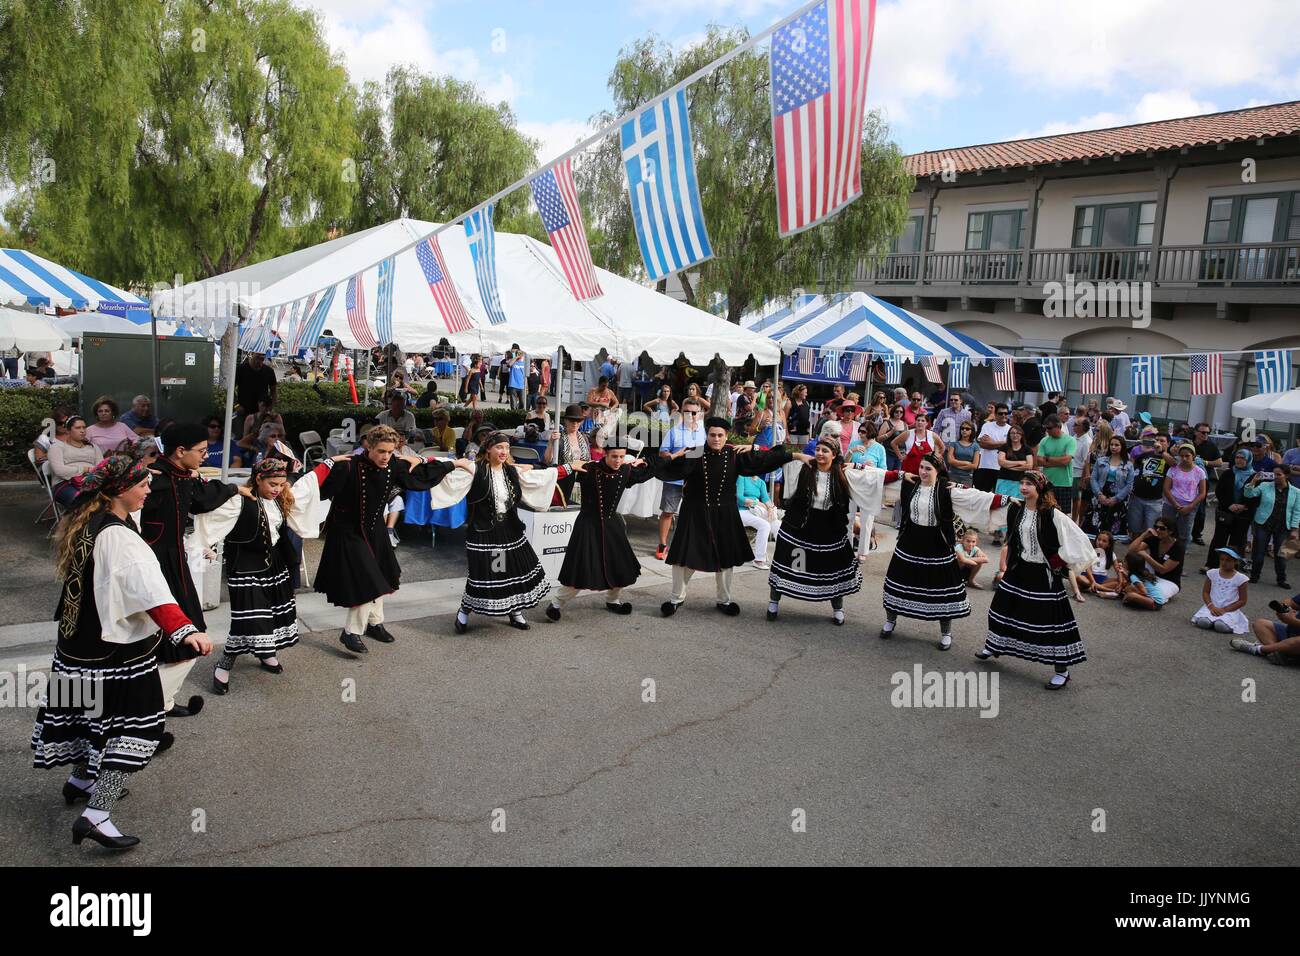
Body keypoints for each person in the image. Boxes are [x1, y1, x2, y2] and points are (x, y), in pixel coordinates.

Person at [32, 455, 212, 851]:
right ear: (117, 490)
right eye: (142, 484)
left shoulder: (86, 522)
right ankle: (96, 816)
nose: (149, 489)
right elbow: (149, 592)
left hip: (76, 649)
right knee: (137, 729)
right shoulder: (119, 537)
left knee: (87, 718)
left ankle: (80, 781)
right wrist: (186, 632)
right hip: (113, 656)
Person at [314, 426, 467, 654]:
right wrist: (328, 463)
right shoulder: (347, 466)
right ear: (369, 447)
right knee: (368, 581)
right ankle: (351, 632)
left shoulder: (393, 465)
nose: (386, 456)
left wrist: (453, 463)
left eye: (390, 451)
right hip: (348, 532)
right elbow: (318, 490)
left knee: (383, 575)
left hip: (375, 529)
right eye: (381, 451)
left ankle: (374, 623)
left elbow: (420, 477)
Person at [137, 423, 247, 721]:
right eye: (201, 451)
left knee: (179, 635)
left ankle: (163, 703)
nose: (206, 456)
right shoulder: (152, 479)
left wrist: (235, 488)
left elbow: (201, 500)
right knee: (187, 635)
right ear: (180, 451)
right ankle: (149, 710)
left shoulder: (180, 475)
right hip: (149, 567)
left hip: (174, 563)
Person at [193, 457, 327, 693]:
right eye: (273, 484)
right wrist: (208, 546)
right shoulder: (240, 501)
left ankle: (266, 653)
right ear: (258, 479)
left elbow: (308, 487)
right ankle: (224, 663)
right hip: (245, 566)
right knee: (248, 620)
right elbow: (212, 519)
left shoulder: (280, 500)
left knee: (274, 614)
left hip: (274, 564)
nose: (277, 489)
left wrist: (330, 462)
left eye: (281, 484)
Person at [657, 417, 803, 617]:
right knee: (683, 557)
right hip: (694, 512)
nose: (716, 439)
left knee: (725, 557)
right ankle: (676, 598)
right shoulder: (695, 452)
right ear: (706, 435)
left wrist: (795, 455)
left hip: (725, 513)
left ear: (726, 436)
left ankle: (724, 600)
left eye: (720, 435)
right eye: (712, 435)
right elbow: (669, 467)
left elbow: (765, 460)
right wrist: (660, 459)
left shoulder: (734, 453)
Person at [424, 433, 558, 632]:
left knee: (510, 571)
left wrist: (543, 466)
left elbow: (541, 474)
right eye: (499, 447)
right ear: (488, 449)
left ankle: (514, 612)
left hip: (509, 531)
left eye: (506, 448)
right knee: (484, 575)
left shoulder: (512, 471)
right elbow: (445, 466)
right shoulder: (475, 469)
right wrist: (420, 459)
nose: (504, 451)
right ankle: (463, 612)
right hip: (484, 532)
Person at [975, 471, 1094, 688]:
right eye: (1021, 483)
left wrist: (1057, 562)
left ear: (1039, 488)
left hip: (1043, 573)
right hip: (1019, 567)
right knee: (1002, 607)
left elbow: (1078, 541)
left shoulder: (1052, 514)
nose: (1023, 487)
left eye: (1028, 484)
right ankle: (994, 645)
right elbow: (983, 503)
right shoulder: (1016, 508)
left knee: (1051, 621)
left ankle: (1062, 670)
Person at [880, 455, 1013, 650]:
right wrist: (854, 466)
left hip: (937, 542)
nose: (923, 472)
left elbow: (977, 497)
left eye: (928, 469)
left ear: (938, 471)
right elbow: (879, 478)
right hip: (910, 541)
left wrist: (1005, 500)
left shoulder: (946, 489)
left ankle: (946, 633)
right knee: (899, 580)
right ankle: (891, 621)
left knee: (942, 587)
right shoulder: (910, 483)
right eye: (921, 467)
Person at [766, 438, 884, 624]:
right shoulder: (805, 467)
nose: (820, 453)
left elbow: (878, 476)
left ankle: (838, 609)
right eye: (818, 450)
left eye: (825, 451)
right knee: (789, 563)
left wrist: (902, 475)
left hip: (829, 527)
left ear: (834, 455)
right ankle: (774, 602)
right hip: (800, 525)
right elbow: (775, 455)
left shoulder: (843, 472)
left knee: (833, 567)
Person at [545, 438, 661, 620]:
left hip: (611, 525)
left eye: (621, 457)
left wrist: (650, 460)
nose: (618, 460)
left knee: (620, 566)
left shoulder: (626, 470)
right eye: (614, 456)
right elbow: (561, 476)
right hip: (587, 525)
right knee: (582, 569)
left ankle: (613, 600)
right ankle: (556, 603)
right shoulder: (589, 469)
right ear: (605, 455)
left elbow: (648, 471)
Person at [654, 398, 706, 560]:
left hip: (695, 480)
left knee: (696, 513)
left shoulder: (703, 432)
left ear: (699, 414)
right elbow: (662, 453)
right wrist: (677, 454)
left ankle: (692, 544)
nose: (691, 414)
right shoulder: (674, 431)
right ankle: (662, 544)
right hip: (674, 479)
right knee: (668, 512)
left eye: (694, 412)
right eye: (687, 411)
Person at [1243, 464, 1300, 588]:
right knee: (1258, 552)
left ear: (1287, 475)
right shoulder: (1265, 486)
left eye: (1279, 474)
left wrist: (1294, 529)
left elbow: (1296, 511)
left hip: (1283, 526)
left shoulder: (1296, 492)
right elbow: (1249, 494)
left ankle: (1281, 579)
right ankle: (1254, 575)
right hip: (1263, 523)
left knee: (1281, 555)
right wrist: (1253, 482)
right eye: (1274, 474)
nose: (1276, 477)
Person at [1203, 448, 1257, 570]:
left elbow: (1256, 496)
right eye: (1237, 457)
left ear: (1248, 460)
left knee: (1237, 542)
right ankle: (1212, 564)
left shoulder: (1255, 476)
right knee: (1218, 540)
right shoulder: (1228, 473)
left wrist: (1244, 506)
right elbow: (1219, 491)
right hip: (1225, 512)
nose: (1239, 460)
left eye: (1243, 458)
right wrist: (1229, 505)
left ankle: (1232, 568)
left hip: (1244, 514)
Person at [1191, 548, 1250, 634]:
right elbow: (1205, 592)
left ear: (1236, 562)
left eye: (1228, 560)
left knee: (1220, 626)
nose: (1224, 562)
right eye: (1222, 559)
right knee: (1203, 622)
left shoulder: (1241, 579)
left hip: (1229, 610)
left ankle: (1227, 623)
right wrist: (1211, 606)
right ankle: (1211, 620)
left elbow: (1242, 600)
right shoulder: (1212, 573)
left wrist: (1224, 610)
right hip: (1211, 607)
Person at [48, 416, 103, 507]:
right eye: (78, 428)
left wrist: (90, 472)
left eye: (84, 427)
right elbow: (59, 470)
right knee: (83, 502)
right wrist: (86, 469)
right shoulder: (57, 447)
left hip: (91, 481)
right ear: (68, 431)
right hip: (65, 483)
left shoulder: (93, 447)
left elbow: (100, 467)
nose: (82, 431)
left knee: (109, 499)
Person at [1231, 592, 1300, 665]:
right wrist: (1283, 608)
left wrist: (1293, 621)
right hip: (1290, 633)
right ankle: (1278, 654)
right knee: (1260, 624)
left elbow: (1294, 621)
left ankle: (1258, 649)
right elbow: (1292, 601)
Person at [1127, 519, 1185, 604]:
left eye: (1162, 528)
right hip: (1152, 575)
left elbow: (1163, 570)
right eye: (1156, 527)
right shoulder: (1155, 539)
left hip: (1169, 580)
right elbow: (1131, 550)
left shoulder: (1178, 547)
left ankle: (1138, 595)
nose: (1157, 530)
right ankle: (1137, 593)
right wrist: (1143, 535)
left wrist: (1146, 556)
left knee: (1157, 597)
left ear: (1171, 531)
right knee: (1133, 557)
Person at [1162, 443, 1208, 544]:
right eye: (1181, 456)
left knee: (1184, 533)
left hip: (1189, 505)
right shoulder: (1173, 469)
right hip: (1171, 503)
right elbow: (1166, 488)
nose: (1184, 458)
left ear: (1193, 456)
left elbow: (1202, 493)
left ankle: (1180, 554)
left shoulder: (1199, 472)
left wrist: (1190, 506)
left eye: (1187, 456)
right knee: (1166, 529)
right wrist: (1175, 504)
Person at [1128, 433, 1172, 536]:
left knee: (1152, 530)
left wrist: (1161, 451)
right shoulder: (1144, 455)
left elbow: (1174, 464)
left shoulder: (1169, 458)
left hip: (1155, 501)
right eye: (1156, 440)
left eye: (1162, 441)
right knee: (1135, 529)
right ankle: (1135, 549)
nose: (1158, 443)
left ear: (1168, 444)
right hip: (1136, 497)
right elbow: (1133, 468)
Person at [1036, 415, 1077, 516]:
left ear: (1058, 426)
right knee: (1045, 511)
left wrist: (1048, 458)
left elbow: (1066, 461)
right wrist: (1059, 460)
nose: (1047, 430)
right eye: (1045, 428)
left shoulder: (1070, 440)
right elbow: (1039, 461)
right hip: (1048, 483)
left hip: (1064, 483)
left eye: (1049, 428)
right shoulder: (1044, 440)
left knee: (1062, 515)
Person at [736, 470, 778, 569]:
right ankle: (759, 559)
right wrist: (756, 502)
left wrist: (770, 508)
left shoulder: (761, 482)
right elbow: (739, 498)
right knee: (765, 525)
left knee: (778, 525)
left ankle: (782, 559)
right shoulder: (742, 477)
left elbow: (766, 498)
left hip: (756, 512)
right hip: (742, 511)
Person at [235, 351, 277, 429]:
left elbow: (273, 390)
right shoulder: (241, 369)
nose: (260, 359)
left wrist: (271, 407)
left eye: (262, 357)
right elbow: (231, 389)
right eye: (257, 356)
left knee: (261, 436)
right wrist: (236, 405)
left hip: (261, 411)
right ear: (252, 355)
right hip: (243, 410)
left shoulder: (269, 371)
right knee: (241, 436)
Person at [1069, 416, 1093, 525]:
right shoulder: (1074, 437)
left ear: (1083, 427)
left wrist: (1083, 479)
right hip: (1069, 471)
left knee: (1075, 498)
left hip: (1077, 473)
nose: (1073, 426)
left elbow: (1086, 462)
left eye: (1076, 425)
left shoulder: (1087, 442)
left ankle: (1074, 521)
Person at [946, 420, 979, 486]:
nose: (964, 430)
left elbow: (975, 465)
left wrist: (957, 465)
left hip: (967, 477)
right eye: (962, 428)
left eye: (967, 429)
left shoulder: (975, 446)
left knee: (965, 496)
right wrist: (966, 463)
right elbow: (950, 460)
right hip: (953, 475)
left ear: (972, 431)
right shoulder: (953, 444)